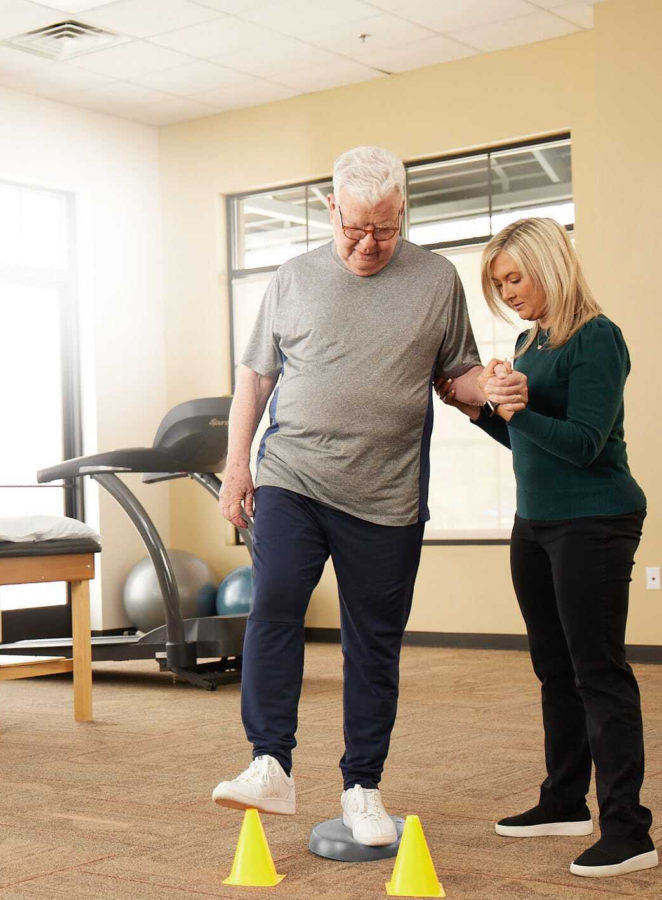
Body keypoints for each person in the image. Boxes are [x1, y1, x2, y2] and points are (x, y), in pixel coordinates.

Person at [211, 146, 486, 847]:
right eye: (355, 229)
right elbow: (256, 379)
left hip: (386, 495)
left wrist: (496, 390)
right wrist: (238, 465)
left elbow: (457, 377)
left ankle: (363, 786)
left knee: (374, 645)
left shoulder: (436, 279)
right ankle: (270, 762)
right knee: (272, 607)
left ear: (403, 214)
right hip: (292, 477)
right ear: (331, 209)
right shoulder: (294, 278)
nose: (369, 244)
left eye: (385, 230)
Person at [436, 217, 654, 878]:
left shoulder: (597, 340)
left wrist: (519, 409)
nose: (508, 294)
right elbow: (527, 441)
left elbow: (585, 444)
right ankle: (564, 800)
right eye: (499, 285)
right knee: (554, 669)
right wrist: (480, 413)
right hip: (536, 523)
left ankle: (629, 830)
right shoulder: (529, 343)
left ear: (548, 265)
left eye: (513, 278)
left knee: (598, 672)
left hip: (595, 520)